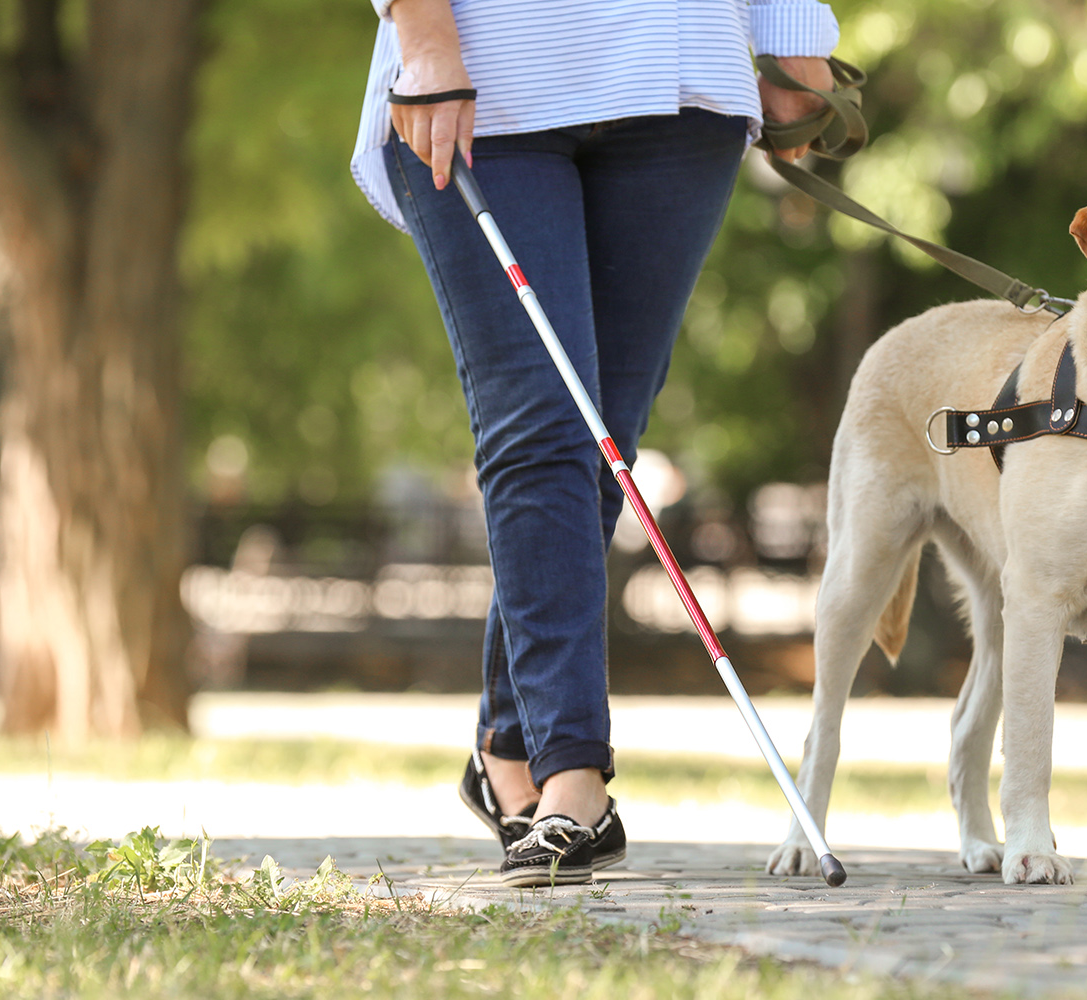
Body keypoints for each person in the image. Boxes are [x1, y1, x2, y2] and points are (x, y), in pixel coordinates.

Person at [350, 0, 840, 886]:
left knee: (599, 444)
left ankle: (509, 742)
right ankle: (572, 783)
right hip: (487, 74)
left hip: (681, 75)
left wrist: (797, 41)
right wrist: (421, 31)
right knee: (542, 428)